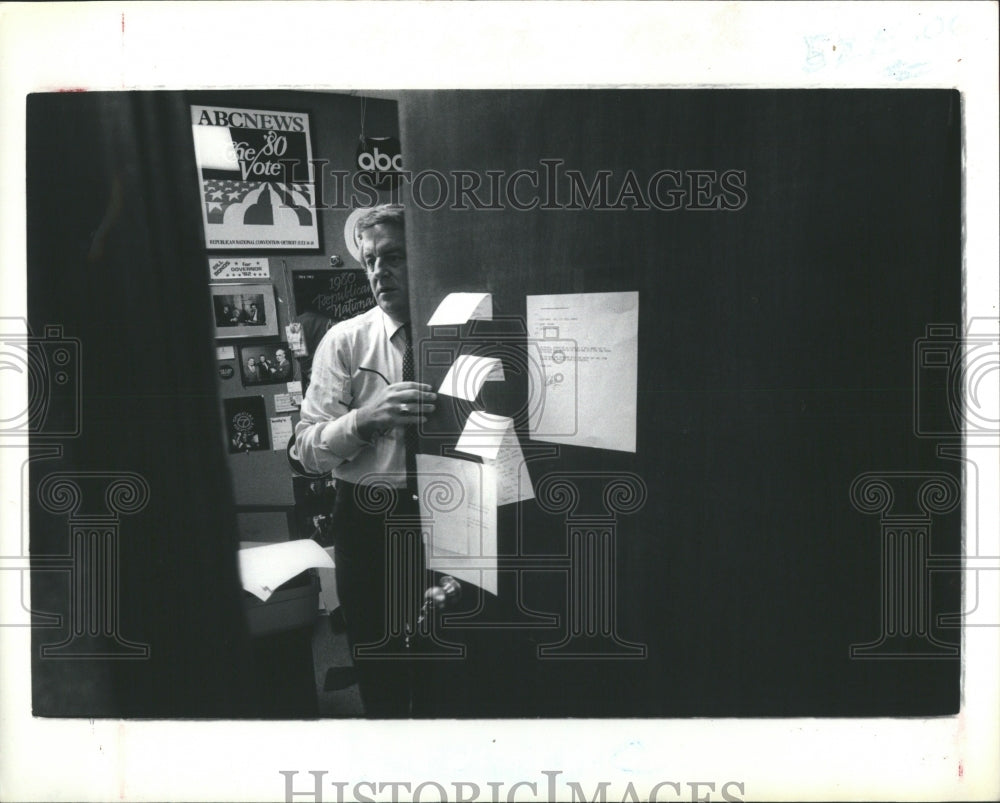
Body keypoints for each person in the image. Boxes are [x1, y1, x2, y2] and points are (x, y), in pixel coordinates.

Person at [294, 204, 436, 716]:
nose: (380, 272)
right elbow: (306, 449)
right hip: (368, 521)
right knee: (381, 668)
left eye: (393, 257)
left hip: (448, 516)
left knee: (448, 661)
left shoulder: (459, 331)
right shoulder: (345, 340)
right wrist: (363, 419)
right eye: (372, 261)